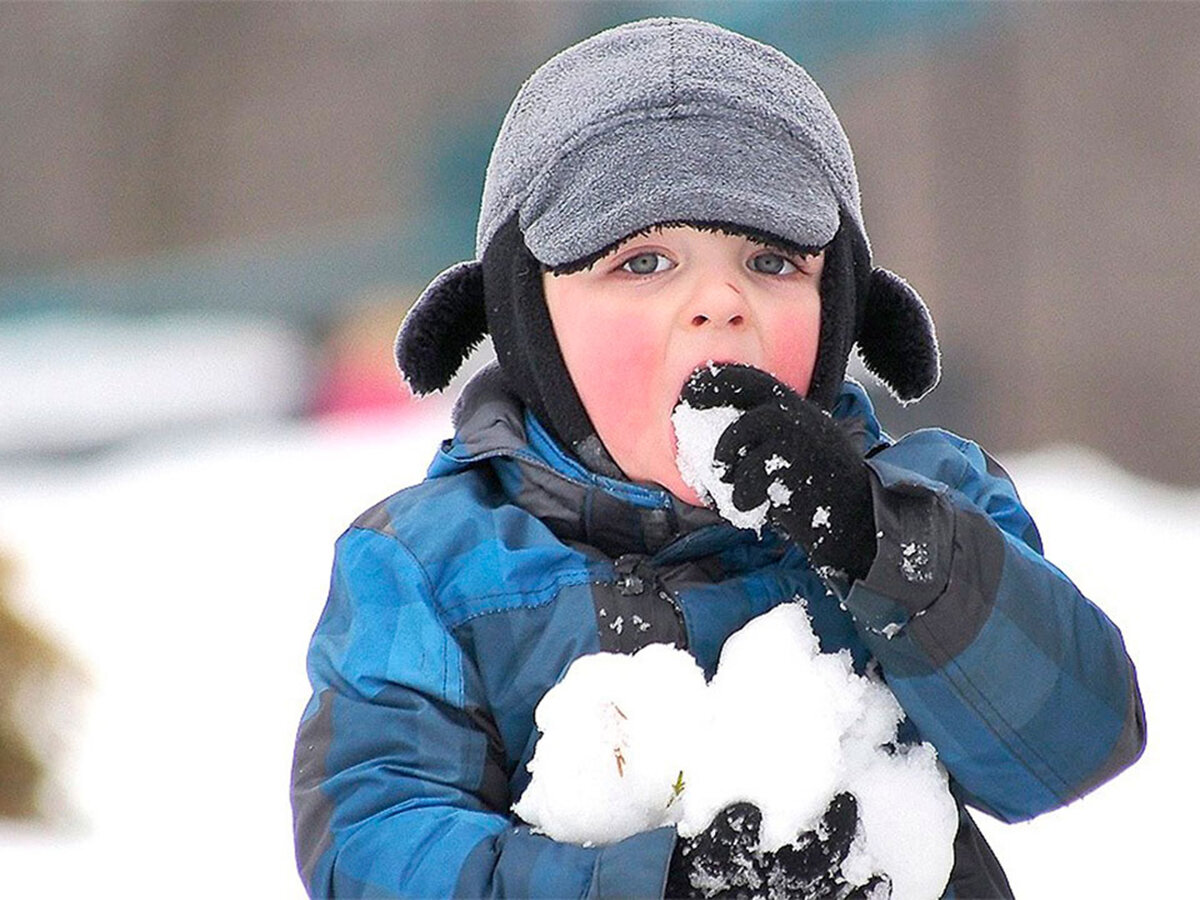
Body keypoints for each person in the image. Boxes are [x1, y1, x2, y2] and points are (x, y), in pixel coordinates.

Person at [291, 18, 1144, 899]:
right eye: (644, 260)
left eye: (772, 260)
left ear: (842, 306)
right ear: (527, 317)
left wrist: (877, 541)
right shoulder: (433, 564)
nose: (720, 303)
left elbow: (1074, 740)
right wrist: (659, 886)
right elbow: (376, 851)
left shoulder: (924, 503)